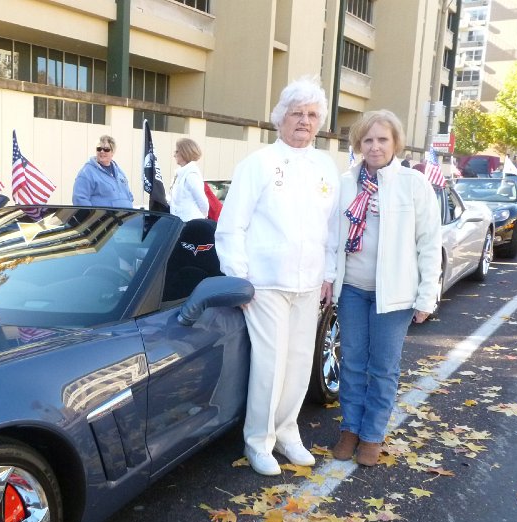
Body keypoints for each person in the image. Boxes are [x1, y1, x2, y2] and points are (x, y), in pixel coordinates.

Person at [215, 77, 340, 476]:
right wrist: (240, 279)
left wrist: (330, 273)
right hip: (265, 284)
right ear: (280, 118)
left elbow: (333, 227)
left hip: (309, 283)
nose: (304, 120)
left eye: (312, 114)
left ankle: (288, 433)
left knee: (301, 363)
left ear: (319, 122)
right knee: (270, 365)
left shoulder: (325, 165)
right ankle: (258, 441)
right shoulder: (259, 163)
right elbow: (230, 226)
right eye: (297, 113)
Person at [331, 110, 441, 466]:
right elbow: (332, 237)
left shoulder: (413, 184)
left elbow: (428, 242)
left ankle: (372, 434)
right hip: (352, 289)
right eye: (368, 140)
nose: (375, 146)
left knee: (383, 367)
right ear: (358, 144)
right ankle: (350, 428)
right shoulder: (346, 183)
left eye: (382, 139)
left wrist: (427, 296)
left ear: (395, 143)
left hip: (393, 295)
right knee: (351, 363)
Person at [72, 135, 133, 208]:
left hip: (125, 218)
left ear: (112, 152)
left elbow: (129, 196)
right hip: (104, 219)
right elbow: (79, 199)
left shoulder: (120, 172)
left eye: (106, 149)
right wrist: (93, 217)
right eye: (99, 149)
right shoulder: (87, 172)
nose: (102, 151)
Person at [169, 138, 209, 221]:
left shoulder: (191, 175)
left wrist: (203, 216)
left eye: (177, 152)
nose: (174, 155)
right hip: (179, 223)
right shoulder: (180, 173)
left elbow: (203, 202)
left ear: (185, 153)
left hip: (190, 223)